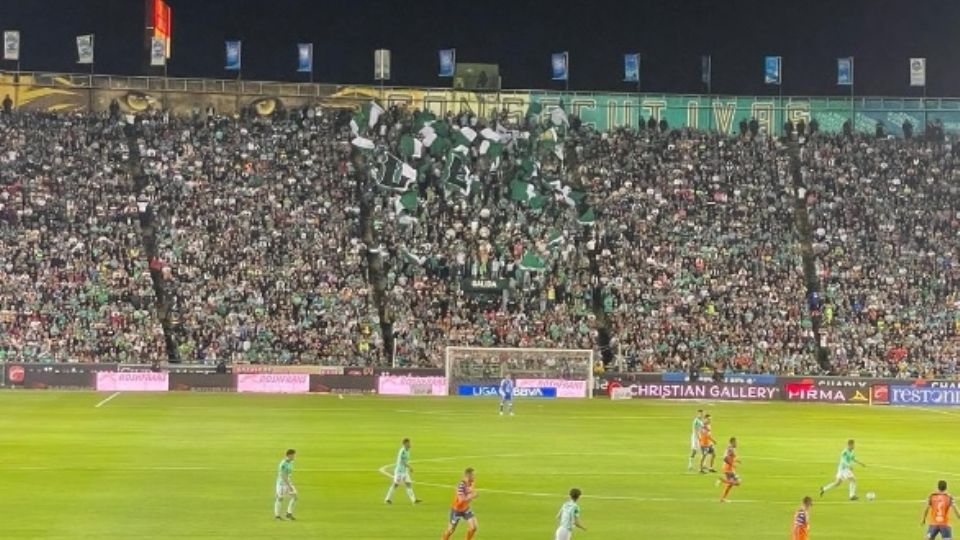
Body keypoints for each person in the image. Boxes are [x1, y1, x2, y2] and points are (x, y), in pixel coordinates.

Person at [442, 468, 478, 540]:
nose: (475, 476)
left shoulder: (472, 483)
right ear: (469, 476)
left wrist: (473, 494)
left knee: (473, 527)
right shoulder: (461, 485)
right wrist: (472, 496)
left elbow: (471, 493)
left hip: (466, 509)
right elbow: (461, 500)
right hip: (456, 510)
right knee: (450, 530)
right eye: (473, 475)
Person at [385, 438, 421, 504]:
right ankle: (387, 498)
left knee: (408, 484)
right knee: (396, 485)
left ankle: (414, 500)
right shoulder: (403, 451)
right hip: (399, 471)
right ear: (405, 444)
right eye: (409, 443)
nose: (410, 444)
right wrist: (409, 467)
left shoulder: (407, 450)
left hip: (404, 471)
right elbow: (402, 461)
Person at [274, 449, 297, 520]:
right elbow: (283, 476)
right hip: (282, 484)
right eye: (293, 455)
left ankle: (288, 513)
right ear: (289, 455)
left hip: (287, 482)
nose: (294, 456)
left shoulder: (290, 462)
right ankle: (277, 515)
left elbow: (288, 474)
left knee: (295, 496)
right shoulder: (284, 464)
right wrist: (289, 486)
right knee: (280, 498)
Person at [716, 437, 741, 502]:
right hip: (728, 469)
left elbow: (730, 458)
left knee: (730, 485)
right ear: (732, 442)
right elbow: (725, 458)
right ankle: (721, 480)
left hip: (729, 469)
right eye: (735, 442)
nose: (737, 444)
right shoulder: (730, 449)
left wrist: (736, 461)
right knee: (737, 483)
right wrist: (732, 464)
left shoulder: (730, 448)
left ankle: (722, 499)